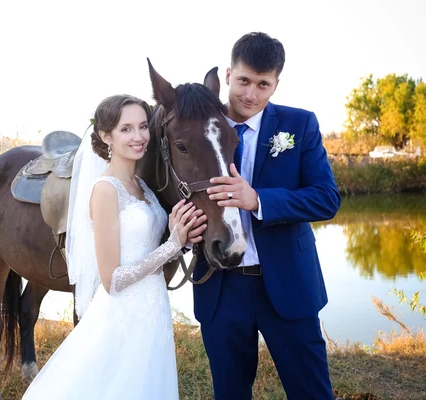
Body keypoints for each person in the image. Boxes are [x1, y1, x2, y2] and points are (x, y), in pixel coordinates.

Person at [22, 94, 203, 399]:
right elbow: (112, 280)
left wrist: (174, 230)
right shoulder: (106, 190)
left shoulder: (142, 187)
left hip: (152, 308)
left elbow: (144, 246)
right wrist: (173, 245)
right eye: (126, 129)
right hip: (123, 314)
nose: (139, 136)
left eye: (143, 127)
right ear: (106, 136)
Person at [192, 32, 342, 399]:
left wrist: (258, 199)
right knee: (230, 394)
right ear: (228, 75)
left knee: (312, 393)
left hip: (288, 285)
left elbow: (326, 198)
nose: (251, 94)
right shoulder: (198, 127)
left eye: (263, 84)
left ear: (276, 84)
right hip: (222, 287)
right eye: (244, 80)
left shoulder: (300, 125)